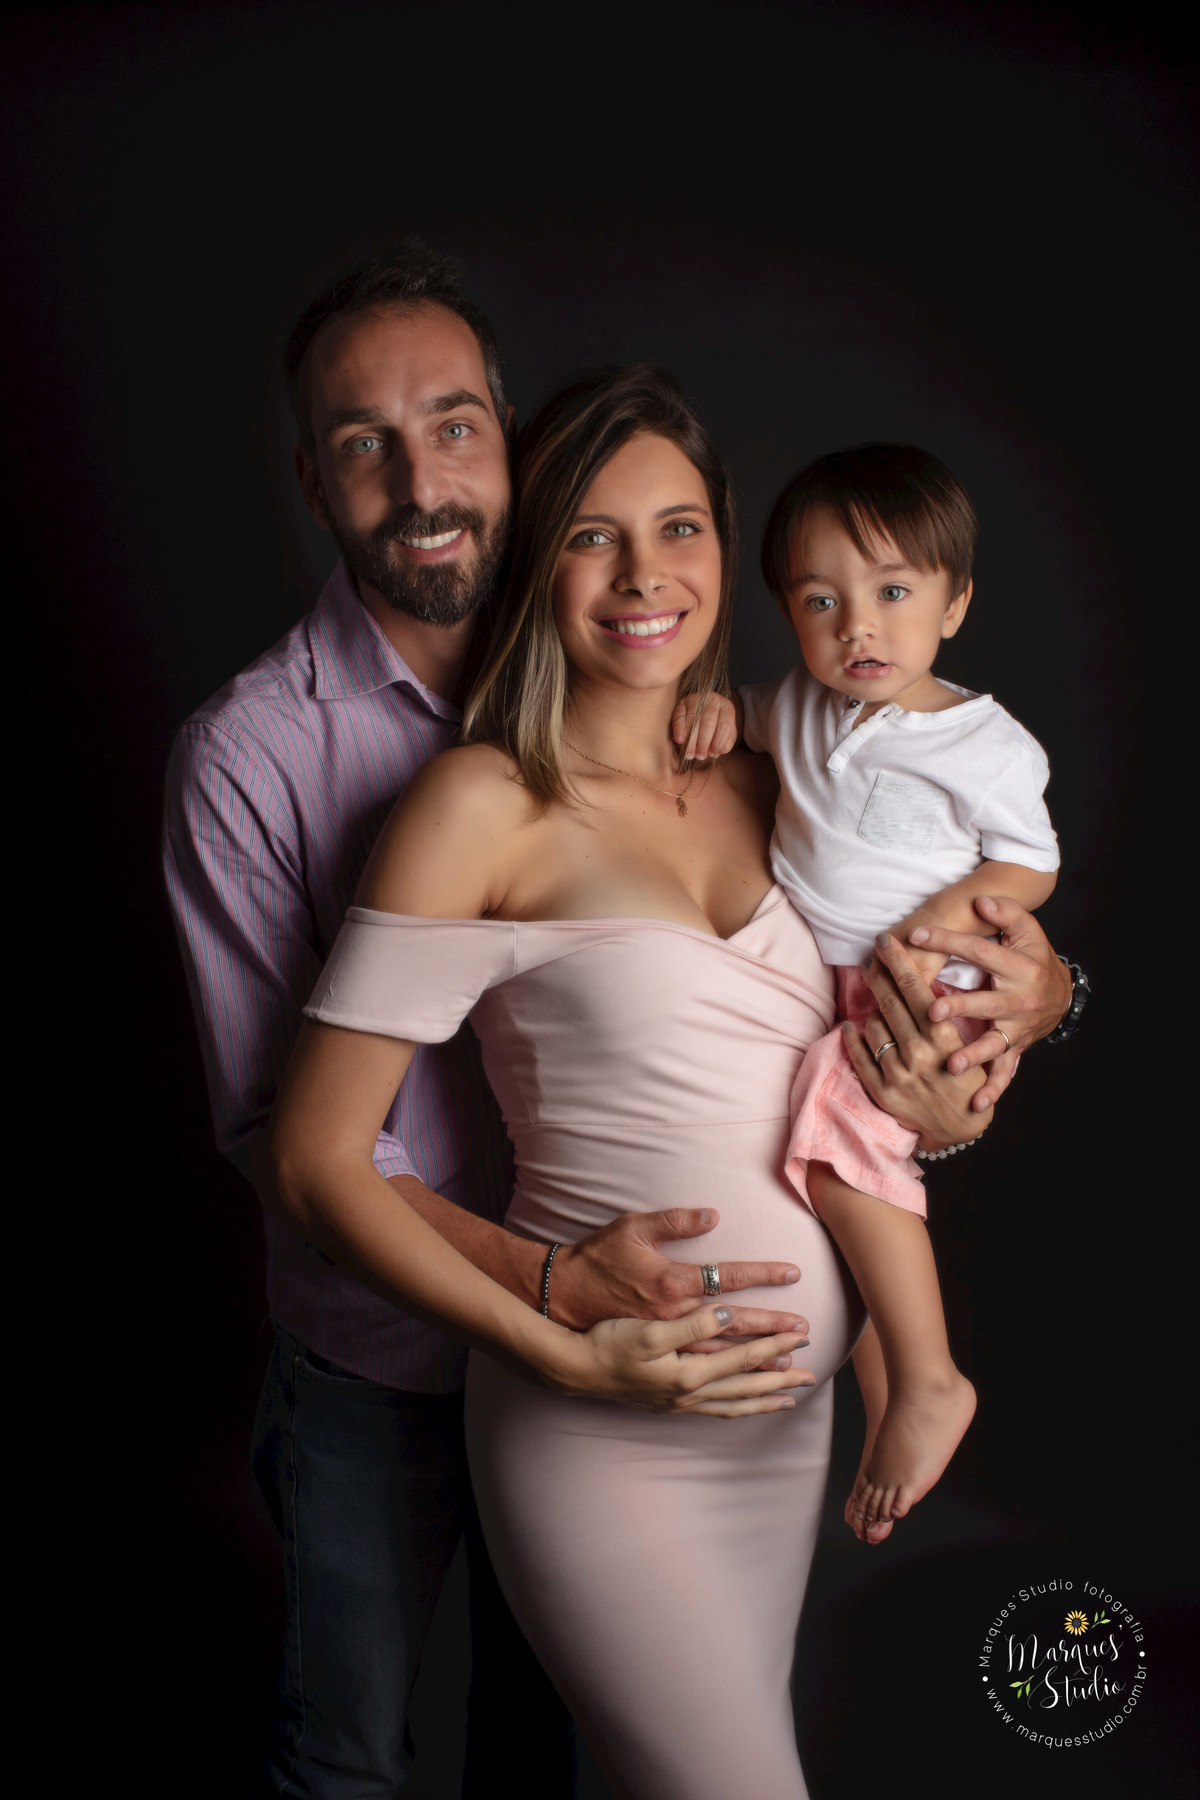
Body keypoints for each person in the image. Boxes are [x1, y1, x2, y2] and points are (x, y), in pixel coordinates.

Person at [272, 366, 1076, 1800]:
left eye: (680, 528)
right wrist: (556, 1340)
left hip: (786, 1428)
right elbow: (317, 1160)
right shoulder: (480, 805)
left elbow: (867, 1054)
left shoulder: (794, 782)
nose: (645, 575)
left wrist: (1030, 1016)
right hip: (604, 1419)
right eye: (592, 534)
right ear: (538, 561)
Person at [162, 243, 813, 1797]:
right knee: (353, 1759)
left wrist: (1040, 1000)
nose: (421, 481)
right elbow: (281, 1139)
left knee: (551, 1759)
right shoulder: (253, 756)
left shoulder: (662, 707)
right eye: (364, 444)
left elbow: (836, 1010)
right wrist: (552, 1291)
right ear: (312, 481)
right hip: (388, 1362)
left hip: (664, 1380)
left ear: (512, 444)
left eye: (454, 426)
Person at [681, 442, 1068, 1545]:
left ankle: (933, 1378)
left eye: (894, 593)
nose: (860, 627)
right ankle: (890, 1392)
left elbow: (1033, 862)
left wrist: (946, 921)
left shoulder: (982, 742)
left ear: (955, 604)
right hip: (834, 978)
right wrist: (715, 712)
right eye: (822, 601)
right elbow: (744, 720)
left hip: (922, 980)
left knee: (838, 1149)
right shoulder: (800, 706)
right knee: (823, 1169)